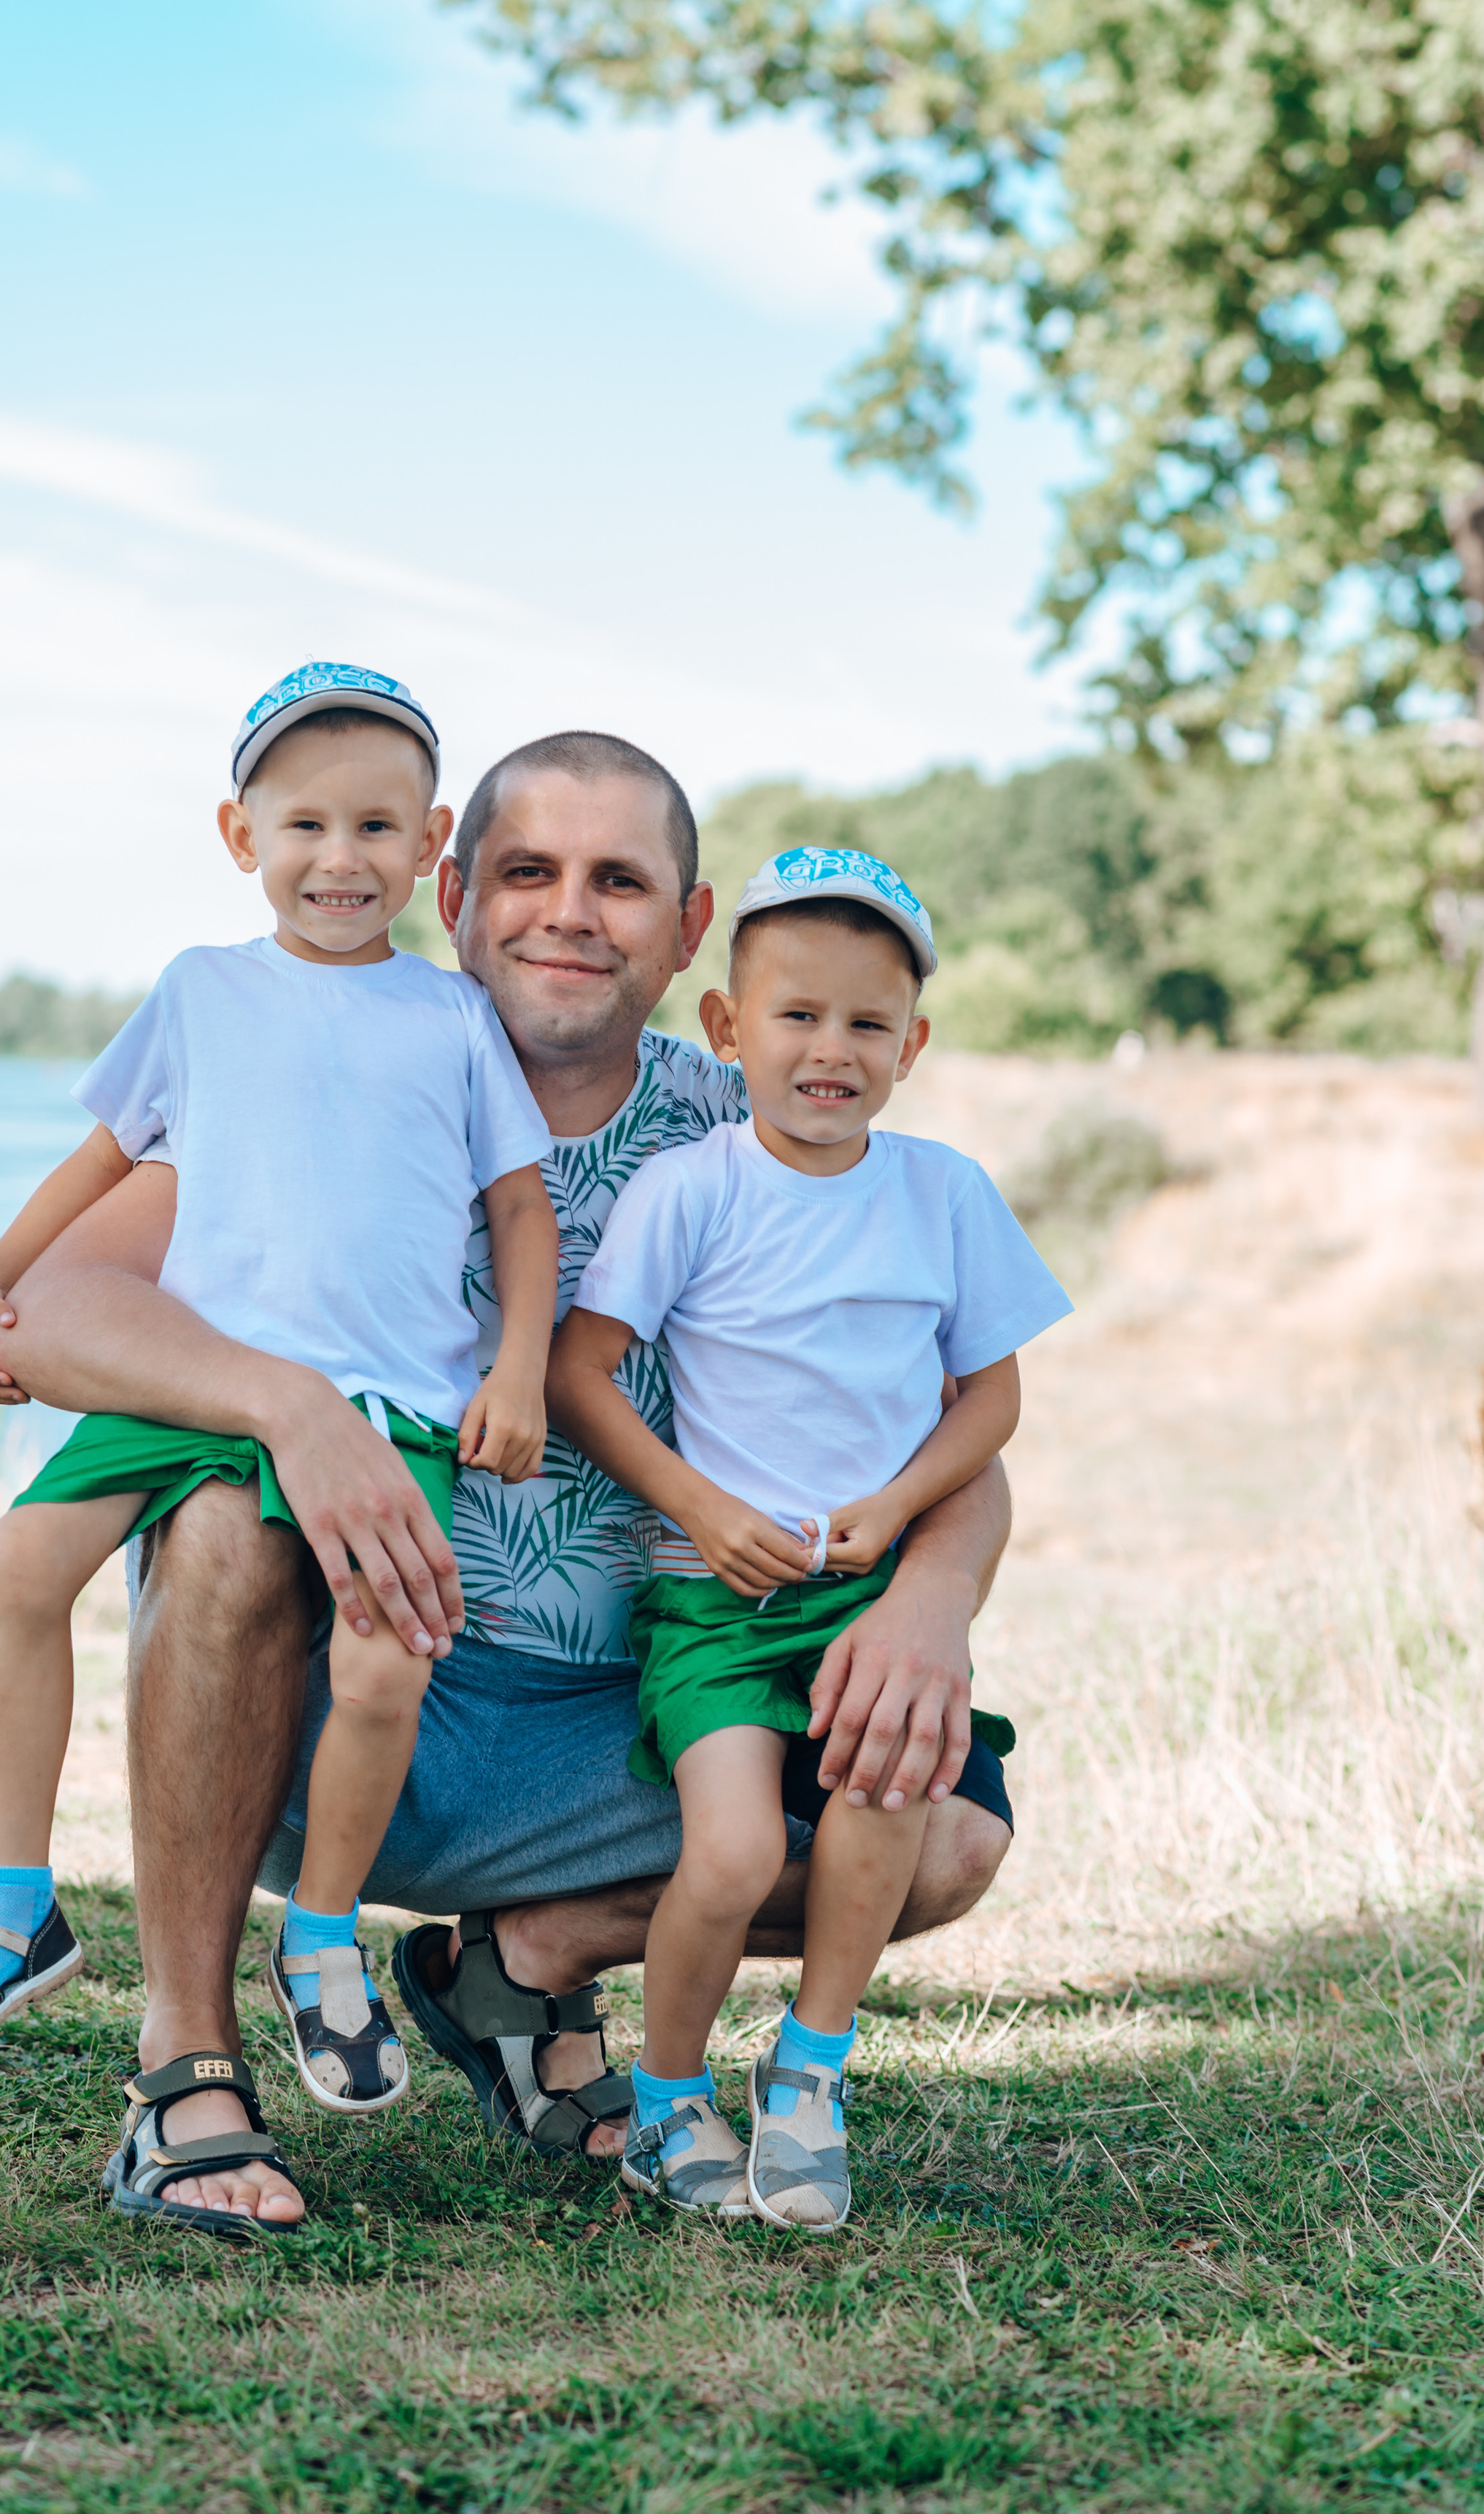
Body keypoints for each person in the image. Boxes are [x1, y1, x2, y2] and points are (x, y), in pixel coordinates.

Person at [0, 733, 1019, 2231]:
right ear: (452, 891)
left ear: (687, 927)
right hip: (347, 1706)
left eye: (618, 882)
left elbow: (960, 1439)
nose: (567, 912)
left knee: (948, 1831)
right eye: (526, 871)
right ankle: (185, 2068)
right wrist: (290, 1407)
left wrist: (930, 1599)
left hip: (631, 1720)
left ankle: (517, 1965)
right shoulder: (344, 1067)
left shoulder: (770, 1128)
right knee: (217, 1515)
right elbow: (51, 1309)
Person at [0, 669, 559, 2216]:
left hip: (387, 1398)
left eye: (377, 826)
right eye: (303, 823)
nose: (339, 857)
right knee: (18, 1561)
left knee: (388, 1664)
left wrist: (512, 1368)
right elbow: (109, 1150)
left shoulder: (447, 1016)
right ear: (236, 830)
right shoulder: (199, 989)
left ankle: (320, 1934)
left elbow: (518, 1210)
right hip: (201, 1388)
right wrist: (0, 1269)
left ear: (431, 843)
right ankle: (11, 1906)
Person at [549, 849, 1069, 2226]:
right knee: (724, 1854)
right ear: (728, 1027)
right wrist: (701, 1508)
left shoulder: (942, 1192)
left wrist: (901, 1513)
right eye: (796, 1015)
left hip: (869, 1593)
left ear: (912, 1046)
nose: (829, 1050)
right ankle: (666, 2098)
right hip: (718, 1596)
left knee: (882, 1807)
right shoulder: (692, 1189)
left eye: (866, 1023)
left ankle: (810, 2071)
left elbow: (994, 1397)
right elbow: (579, 1371)